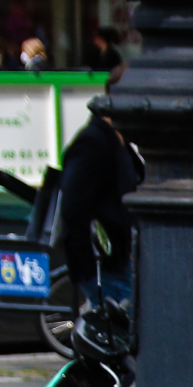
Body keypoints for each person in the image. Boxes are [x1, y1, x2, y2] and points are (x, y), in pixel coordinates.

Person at [54, 104, 142, 317]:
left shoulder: (119, 144)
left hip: (118, 259)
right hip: (106, 263)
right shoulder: (94, 142)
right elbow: (74, 207)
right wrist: (96, 257)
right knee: (123, 331)